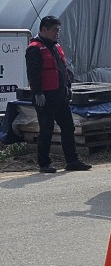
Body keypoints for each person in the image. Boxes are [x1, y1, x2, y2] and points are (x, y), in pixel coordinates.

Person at [25, 16, 92, 174]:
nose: (57, 33)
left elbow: (63, 70)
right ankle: (44, 164)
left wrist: (68, 87)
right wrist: (38, 93)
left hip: (60, 96)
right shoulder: (34, 48)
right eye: (55, 30)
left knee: (68, 127)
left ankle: (72, 161)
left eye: (58, 30)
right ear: (44, 30)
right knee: (46, 130)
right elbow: (33, 74)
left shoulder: (56, 47)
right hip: (45, 98)